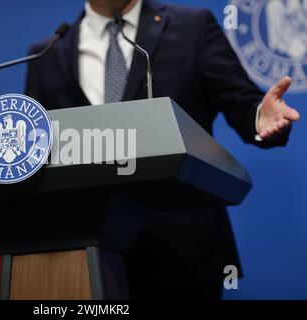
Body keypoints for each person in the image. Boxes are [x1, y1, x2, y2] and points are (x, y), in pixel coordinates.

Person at [25, 0, 300, 299]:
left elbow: (240, 101)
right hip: (82, 259)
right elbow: (38, 155)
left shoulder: (192, 27)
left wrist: (261, 115)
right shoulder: (48, 53)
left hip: (182, 253)